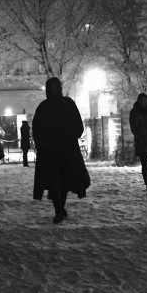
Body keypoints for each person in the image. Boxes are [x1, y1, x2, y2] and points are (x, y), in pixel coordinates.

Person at [32, 77, 91, 223]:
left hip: (57, 151)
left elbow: (37, 131)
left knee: (60, 181)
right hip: (59, 151)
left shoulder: (47, 106)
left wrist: (43, 145)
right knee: (59, 181)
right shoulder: (64, 104)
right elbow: (78, 126)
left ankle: (59, 209)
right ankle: (59, 209)